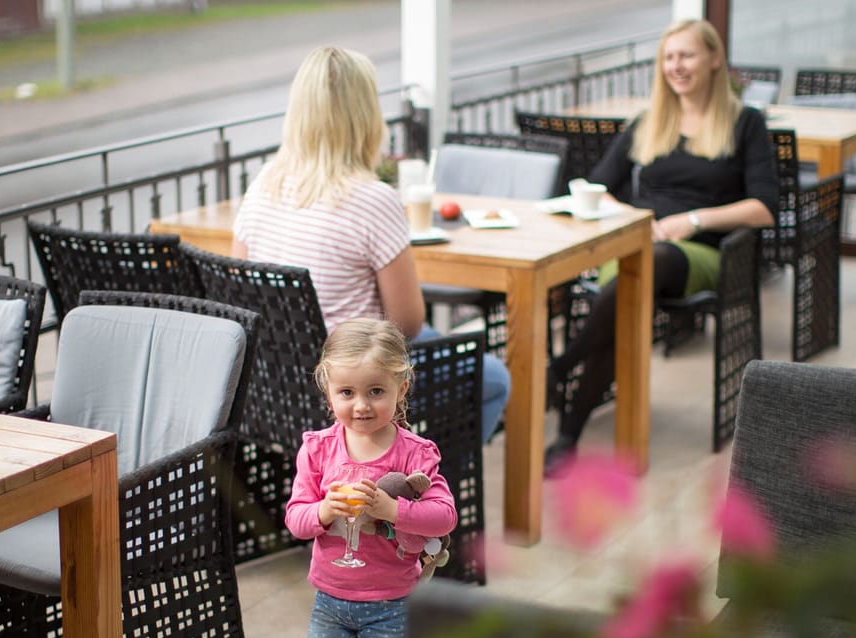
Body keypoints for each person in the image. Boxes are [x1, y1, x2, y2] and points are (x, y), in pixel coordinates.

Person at [231, 45, 510, 441]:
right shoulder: (372, 199)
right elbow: (406, 324)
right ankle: (424, 488)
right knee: (494, 378)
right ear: (365, 116)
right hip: (354, 381)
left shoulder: (262, 185)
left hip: (278, 385)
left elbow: (242, 295)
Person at [547, 18, 780, 465]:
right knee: (630, 301)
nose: (677, 66)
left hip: (709, 253)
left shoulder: (744, 122)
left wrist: (692, 220)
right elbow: (597, 187)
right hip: (640, 246)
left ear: (714, 59)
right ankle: (568, 437)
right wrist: (638, 219)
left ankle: (559, 370)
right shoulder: (650, 122)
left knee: (649, 266)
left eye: (687, 55)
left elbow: (765, 207)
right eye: (670, 57)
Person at [285, 317, 458, 638]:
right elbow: (297, 519)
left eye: (376, 391)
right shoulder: (318, 450)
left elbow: (444, 517)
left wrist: (392, 510)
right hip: (330, 597)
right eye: (347, 392)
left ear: (402, 388)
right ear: (328, 392)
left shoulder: (415, 454)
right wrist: (325, 510)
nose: (361, 405)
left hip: (391, 600)